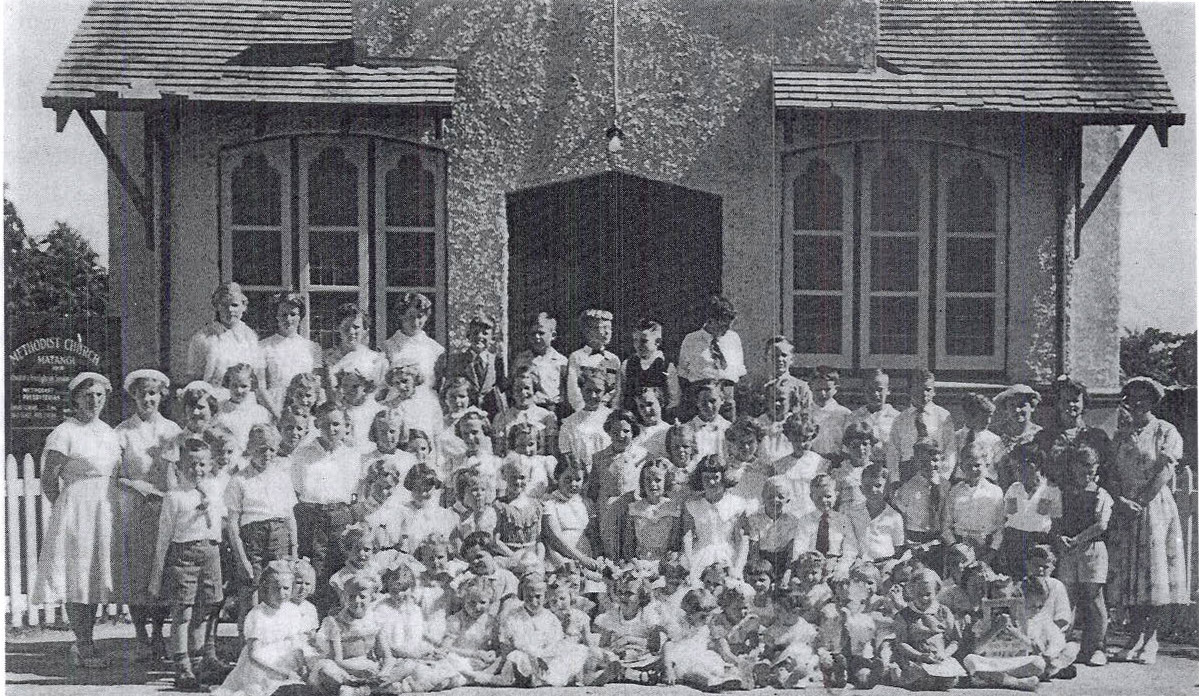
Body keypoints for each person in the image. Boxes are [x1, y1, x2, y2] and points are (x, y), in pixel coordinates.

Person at [31, 372, 121, 669]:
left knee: (94, 577)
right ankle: (83, 645)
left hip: (104, 508)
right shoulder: (64, 432)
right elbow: (48, 479)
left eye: (99, 395)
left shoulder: (109, 432)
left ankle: (87, 640)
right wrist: (66, 512)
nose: (93, 401)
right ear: (75, 399)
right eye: (87, 395)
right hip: (76, 510)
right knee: (77, 577)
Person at [1109, 376, 1188, 665]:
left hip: (1153, 507)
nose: (1138, 402)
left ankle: (1151, 640)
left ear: (1154, 400)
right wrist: (1121, 500)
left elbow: (1165, 471)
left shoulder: (1165, 431)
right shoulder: (1121, 434)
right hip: (1125, 506)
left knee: (1153, 574)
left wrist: (1140, 502)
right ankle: (1133, 638)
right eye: (1132, 397)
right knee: (1132, 575)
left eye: (1144, 397)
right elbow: (1111, 473)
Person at [150, 436, 229, 688]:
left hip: (210, 553)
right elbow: (164, 538)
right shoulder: (174, 497)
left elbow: (221, 523)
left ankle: (199, 663)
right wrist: (156, 575)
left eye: (203, 464)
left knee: (205, 609)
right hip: (183, 555)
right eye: (191, 464)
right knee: (183, 612)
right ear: (179, 466)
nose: (197, 470)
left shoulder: (215, 491)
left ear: (210, 464)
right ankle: (182, 667)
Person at [114, 368, 180, 662]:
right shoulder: (122, 432)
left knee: (162, 574)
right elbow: (113, 475)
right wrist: (135, 484)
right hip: (134, 511)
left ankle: (158, 634)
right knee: (137, 576)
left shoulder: (172, 430)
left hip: (164, 511)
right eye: (142, 394)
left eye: (153, 394)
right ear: (134, 397)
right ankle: (141, 636)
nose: (148, 399)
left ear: (161, 396)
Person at [225, 424, 298, 636]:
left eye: (272, 450)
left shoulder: (282, 476)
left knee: (280, 588)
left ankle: (278, 639)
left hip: (280, 535)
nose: (267, 454)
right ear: (250, 449)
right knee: (251, 592)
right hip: (252, 539)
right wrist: (242, 559)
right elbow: (232, 523)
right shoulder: (239, 480)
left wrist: (293, 549)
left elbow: (289, 515)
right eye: (261, 449)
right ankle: (248, 647)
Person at [290, 403, 361, 615]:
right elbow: (296, 488)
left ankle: (338, 626)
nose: (332, 429)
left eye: (337, 424)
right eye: (327, 424)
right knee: (316, 572)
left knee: (340, 571)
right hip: (312, 517)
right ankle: (315, 624)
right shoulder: (303, 453)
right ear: (317, 424)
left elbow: (354, 491)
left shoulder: (352, 455)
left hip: (341, 516)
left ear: (345, 426)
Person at [1053, 444, 1113, 666]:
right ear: (1073, 468)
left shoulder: (1101, 494)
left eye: (1091, 468)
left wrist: (1077, 539)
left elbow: (1101, 525)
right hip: (1068, 550)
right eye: (1081, 468)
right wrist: (1060, 538)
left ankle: (1097, 648)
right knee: (1066, 598)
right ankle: (1061, 645)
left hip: (1092, 550)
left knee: (1093, 599)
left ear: (1096, 468)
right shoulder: (1063, 492)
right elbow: (1055, 520)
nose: (1086, 473)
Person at [211, 560, 308, 696]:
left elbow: (295, 643)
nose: (281, 593)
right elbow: (253, 655)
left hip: (285, 660)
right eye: (276, 588)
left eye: (286, 588)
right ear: (265, 588)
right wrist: (279, 671)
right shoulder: (258, 614)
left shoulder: (292, 611)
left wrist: (301, 664)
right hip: (262, 667)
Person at [498, 574, 590, 687]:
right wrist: (534, 656)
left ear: (545, 597)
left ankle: (542, 678)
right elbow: (517, 642)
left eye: (538, 597)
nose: (533, 601)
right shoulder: (514, 616)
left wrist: (545, 657)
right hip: (527, 654)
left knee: (576, 650)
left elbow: (555, 642)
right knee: (516, 657)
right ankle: (527, 678)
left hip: (546, 658)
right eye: (528, 597)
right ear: (522, 596)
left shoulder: (550, 618)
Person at [311, 572, 390, 696]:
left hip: (368, 667)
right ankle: (359, 688)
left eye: (362, 596)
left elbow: (387, 655)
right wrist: (358, 670)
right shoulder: (335, 622)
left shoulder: (375, 620)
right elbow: (337, 660)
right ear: (345, 597)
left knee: (408, 667)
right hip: (344, 668)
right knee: (327, 671)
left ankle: (363, 689)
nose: (356, 601)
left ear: (372, 597)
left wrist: (384, 672)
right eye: (351, 596)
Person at [891, 568, 965, 690]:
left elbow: (955, 640)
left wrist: (945, 654)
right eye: (919, 595)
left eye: (928, 594)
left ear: (936, 591)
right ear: (910, 591)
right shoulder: (904, 615)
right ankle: (900, 675)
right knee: (922, 678)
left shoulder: (943, 612)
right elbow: (901, 643)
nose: (924, 598)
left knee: (951, 680)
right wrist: (919, 655)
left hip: (939, 657)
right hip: (915, 657)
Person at [680, 455, 751, 583]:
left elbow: (742, 541)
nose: (711, 482)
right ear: (700, 479)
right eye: (706, 478)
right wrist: (690, 565)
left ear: (724, 478)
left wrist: (738, 568)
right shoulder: (692, 505)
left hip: (729, 557)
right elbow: (687, 537)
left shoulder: (737, 505)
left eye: (716, 477)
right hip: (701, 555)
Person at [996, 442, 1062, 579]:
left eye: (1021, 466)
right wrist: (1004, 547)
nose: (1017, 470)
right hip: (1015, 543)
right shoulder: (1014, 489)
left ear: (1035, 465)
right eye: (1015, 467)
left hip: (1039, 543)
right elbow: (1009, 519)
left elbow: (1056, 524)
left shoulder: (1051, 490)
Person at [1034, 375, 1113, 488]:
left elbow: (1108, 472)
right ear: (1058, 403)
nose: (1071, 405)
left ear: (1083, 403)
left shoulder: (1097, 436)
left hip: (1088, 498)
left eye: (1075, 400)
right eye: (1066, 401)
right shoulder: (1044, 437)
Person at [677, 295, 746, 421]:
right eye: (723, 325)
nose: (727, 329)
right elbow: (683, 373)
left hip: (727, 396)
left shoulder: (733, 338)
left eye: (729, 324)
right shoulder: (691, 340)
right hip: (701, 397)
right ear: (710, 320)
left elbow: (739, 371)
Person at [381, 292, 445, 427]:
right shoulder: (388, 347)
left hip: (426, 407)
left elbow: (439, 384)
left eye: (420, 316)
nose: (415, 322)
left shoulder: (435, 349)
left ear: (427, 317)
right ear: (401, 315)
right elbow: (383, 385)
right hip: (397, 406)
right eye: (410, 316)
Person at [186, 281, 265, 390]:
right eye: (224, 305)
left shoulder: (250, 337)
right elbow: (195, 380)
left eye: (234, 305)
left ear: (243, 307)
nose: (230, 310)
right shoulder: (203, 338)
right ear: (217, 306)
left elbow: (258, 379)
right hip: (214, 398)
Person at [259, 291, 323, 419]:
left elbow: (317, 387)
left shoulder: (312, 347)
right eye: (283, 314)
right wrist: (277, 414)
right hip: (274, 407)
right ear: (276, 316)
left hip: (304, 408)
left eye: (293, 314)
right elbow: (260, 387)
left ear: (300, 317)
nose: (288, 319)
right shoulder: (263, 347)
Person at [887, 370, 954, 483]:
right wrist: (895, 480)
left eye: (928, 390)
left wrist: (942, 479)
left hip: (935, 472)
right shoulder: (900, 420)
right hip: (907, 474)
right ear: (909, 391)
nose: (923, 394)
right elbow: (893, 453)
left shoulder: (943, 417)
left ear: (934, 392)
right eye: (918, 389)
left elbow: (950, 450)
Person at [793, 474, 859, 578]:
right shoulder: (805, 521)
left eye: (828, 496)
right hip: (811, 566)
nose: (824, 501)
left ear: (836, 495)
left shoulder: (843, 520)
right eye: (819, 497)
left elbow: (850, 549)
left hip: (836, 566)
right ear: (811, 497)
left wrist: (841, 568)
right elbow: (799, 549)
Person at [442, 313, 507, 418]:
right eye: (475, 332)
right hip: (464, 417)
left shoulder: (497, 361)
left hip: (490, 416)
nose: (479, 336)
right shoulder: (456, 360)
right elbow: (447, 391)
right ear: (468, 335)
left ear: (493, 338)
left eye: (485, 333)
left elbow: (501, 391)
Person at [622, 459, 684, 563]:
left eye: (658, 480)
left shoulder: (673, 508)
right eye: (648, 479)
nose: (652, 484)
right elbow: (628, 545)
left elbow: (675, 545)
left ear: (666, 481)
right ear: (642, 482)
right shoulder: (634, 509)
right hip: (640, 564)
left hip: (665, 565)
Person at [322, 303, 387, 398]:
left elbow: (381, 395)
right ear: (338, 329)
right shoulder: (327, 358)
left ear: (365, 329)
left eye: (356, 327)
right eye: (346, 327)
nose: (351, 331)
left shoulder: (376, 360)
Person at [771, 410, 827, 518]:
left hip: (812, 514)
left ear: (813, 436)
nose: (801, 444)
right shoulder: (780, 465)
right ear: (789, 437)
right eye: (797, 440)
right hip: (788, 515)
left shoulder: (820, 463)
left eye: (806, 440)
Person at [511, 312, 569, 415]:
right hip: (530, 411)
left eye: (541, 333)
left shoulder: (562, 361)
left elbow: (568, 391)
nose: (537, 337)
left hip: (554, 410)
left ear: (553, 335)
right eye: (533, 334)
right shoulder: (521, 360)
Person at [566, 308, 622, 413]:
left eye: (609, 328)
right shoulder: (577, 357)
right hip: (583, 412)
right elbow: (573, 389)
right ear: (588, 331)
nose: (607, 332)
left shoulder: (614, 359)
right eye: (603, 327)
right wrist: (582, 411)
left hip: (606, 414)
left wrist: (609, 411)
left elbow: (617, 391)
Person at [621, 319, 682, 415]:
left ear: (657, 342)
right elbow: (621, 394)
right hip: (634, 419)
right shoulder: (627, 364)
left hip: (657, 418)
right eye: (635, 340)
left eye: (643, 341)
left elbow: (674, 399)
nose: (638, 345)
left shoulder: (666, 366)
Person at [491, 369, 558, 456]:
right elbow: (498, 452)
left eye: (527, 388)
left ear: (534, 390)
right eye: (518, 389)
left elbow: (551, 452)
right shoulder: (501, 417)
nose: (523, 393)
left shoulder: (546, 416)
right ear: (511, 392)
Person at [558, 372, 614, 471]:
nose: (593, 395)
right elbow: (567, 454)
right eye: (588, 391)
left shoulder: (613, 417)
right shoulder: (569, 423)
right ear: (581, 391)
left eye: (598, 391)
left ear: (605, 391)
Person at [216, 363, 273, 452]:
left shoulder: (260, 413)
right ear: (228, 384)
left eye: (244, 386)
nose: (239, 390)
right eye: (234, 385)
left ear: (251, 385)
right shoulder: (219, 409)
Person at [849, 368, 899, 464]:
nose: (875, 394)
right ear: (864, 390)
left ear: (888, 390)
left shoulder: (897, 418)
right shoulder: (854, 417)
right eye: (870, 390)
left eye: (880, 390)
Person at [953, 393, 1002, 482]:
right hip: (960, 485)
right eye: (983, 417)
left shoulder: (995, 440)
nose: (988, 422)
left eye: (990, 416)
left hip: (987, 486)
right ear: (970, 415)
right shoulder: (955, 438)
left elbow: (1000, 468)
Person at [809, 366, 851, 458]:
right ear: (811, 387)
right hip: (810, 463)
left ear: (836, 388)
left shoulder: (844, 414)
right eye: (818, 389)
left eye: (827, 389)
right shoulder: (804, 413)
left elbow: (848, 444)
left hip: (836, 462)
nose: (822, 394)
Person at [687, 379, 732, 460]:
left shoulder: (729, 428)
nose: (708, 405)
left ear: (722, 400)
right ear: (697, 402)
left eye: (712, 401)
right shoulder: (687, 430)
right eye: (703, 401)